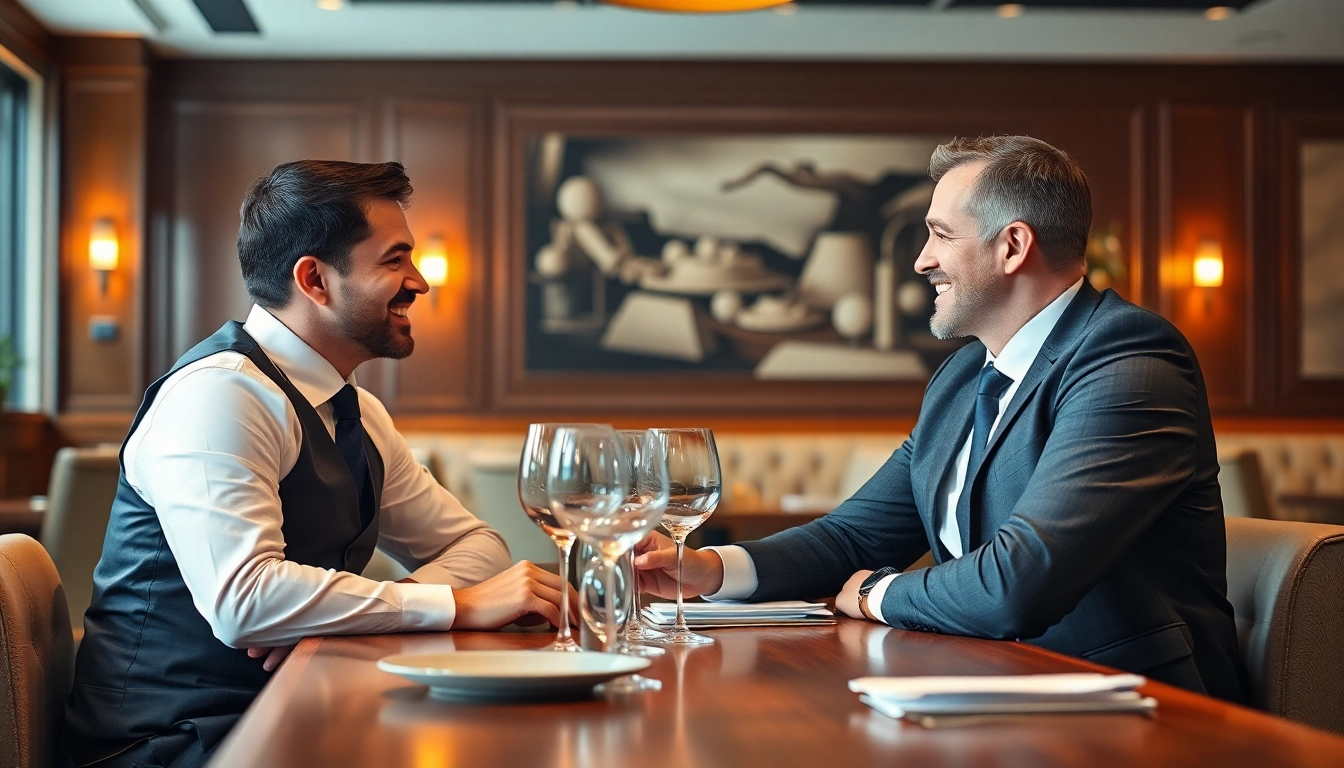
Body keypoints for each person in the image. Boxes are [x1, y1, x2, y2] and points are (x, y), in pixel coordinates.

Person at [637, 136, 1251, 704]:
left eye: (940, 235)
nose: (921, 261)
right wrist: (708, 570)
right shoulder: (961, 379)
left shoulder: (1130, 357)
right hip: (994, 691)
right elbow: (854, 536)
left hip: (1141, 712)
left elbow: (1020, 582)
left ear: (1013, 246)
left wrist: (878, 594)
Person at [64, 161, 570, 768]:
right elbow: (245, 603)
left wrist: (356, 619)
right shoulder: (220, 394)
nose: (420, 281)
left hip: (295, 710)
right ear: (315, 280)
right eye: (394, 259)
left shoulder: (358, 411)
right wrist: (457, 605)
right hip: (175, 743)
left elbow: (477, 545)